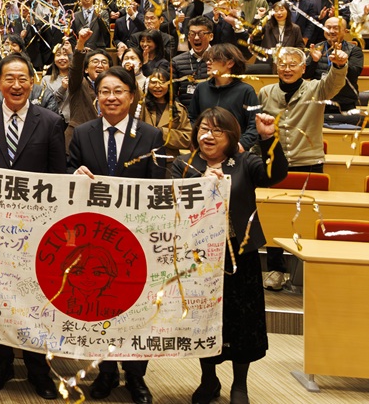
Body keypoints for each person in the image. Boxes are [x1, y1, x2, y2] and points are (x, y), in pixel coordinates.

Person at [171, 107, 287, 404]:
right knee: (203, 319)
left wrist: (268, 139)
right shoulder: (184, 165)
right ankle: (208, 379)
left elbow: (275, 175)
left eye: (217, 131)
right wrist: (203, 184)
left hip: (240, 253)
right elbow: (172, 207)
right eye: (203, 129)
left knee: (242, 321)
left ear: (231, 135)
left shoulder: (245, 162)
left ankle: (240, 385)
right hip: (199, 255)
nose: (209, 135)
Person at [0, 54, 66, 400]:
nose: (16, 85)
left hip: (37, 231)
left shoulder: (51, 122)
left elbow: (58, 176)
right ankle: (1, 364)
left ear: (32, 82)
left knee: (35, 298)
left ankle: (38, 369)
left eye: (23, 78)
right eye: (9, 78)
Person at [68, 67, 167, 404]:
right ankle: (106, 372)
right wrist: (74, 172)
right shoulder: (83, 133)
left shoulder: (151, 135)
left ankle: (136, 377)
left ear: (131, 96)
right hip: (95, 240)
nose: (111, 98)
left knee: (137, 307)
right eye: (104, 92)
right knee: (102, 307)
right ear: (97, 97)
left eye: (118, 91)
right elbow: (67, 169)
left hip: (135, 239)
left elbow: (159, 185)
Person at [258, 45, 348, 291]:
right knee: (275, 216)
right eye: (282, 65)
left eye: (292, 65)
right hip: (276, 163)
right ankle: (276, 269)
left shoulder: (316, 88)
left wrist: (339, 65)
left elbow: (334, 82)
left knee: (309, 216)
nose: (287, 69)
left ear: (303, 68)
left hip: (308, 161)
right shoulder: (265, 92)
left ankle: (307, 268)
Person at [188, 44, 260, 151]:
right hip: (205, 147)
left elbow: (254, 124)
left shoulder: (246, 91)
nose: (208, 63)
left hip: (234, 150)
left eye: (213, 60)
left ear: (230, 63)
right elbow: (192, 118)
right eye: (208, 60)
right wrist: (196, 139)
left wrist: (241, 145)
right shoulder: (201, 88)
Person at [138, 68, 191, 158]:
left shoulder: (179, 108)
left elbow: (187, 138)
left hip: (169, 159)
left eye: (162, 82)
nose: (157, 86)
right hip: (143, 157)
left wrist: (162, 132)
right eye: (153, 82)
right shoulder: (141, 105)